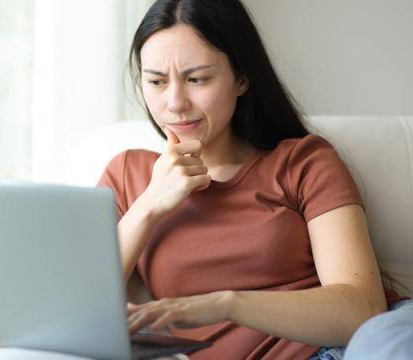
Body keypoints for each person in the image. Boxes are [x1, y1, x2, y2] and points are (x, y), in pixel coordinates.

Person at [96, 0, 410, 359]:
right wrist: (150, 205)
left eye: (197, 79)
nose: (175, 102)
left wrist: (226, 304)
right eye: (156, 81)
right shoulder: (125, 177)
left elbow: (361, 309)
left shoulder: (302, 161)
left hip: (347, 347)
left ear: (242, 79)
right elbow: (74, 314)